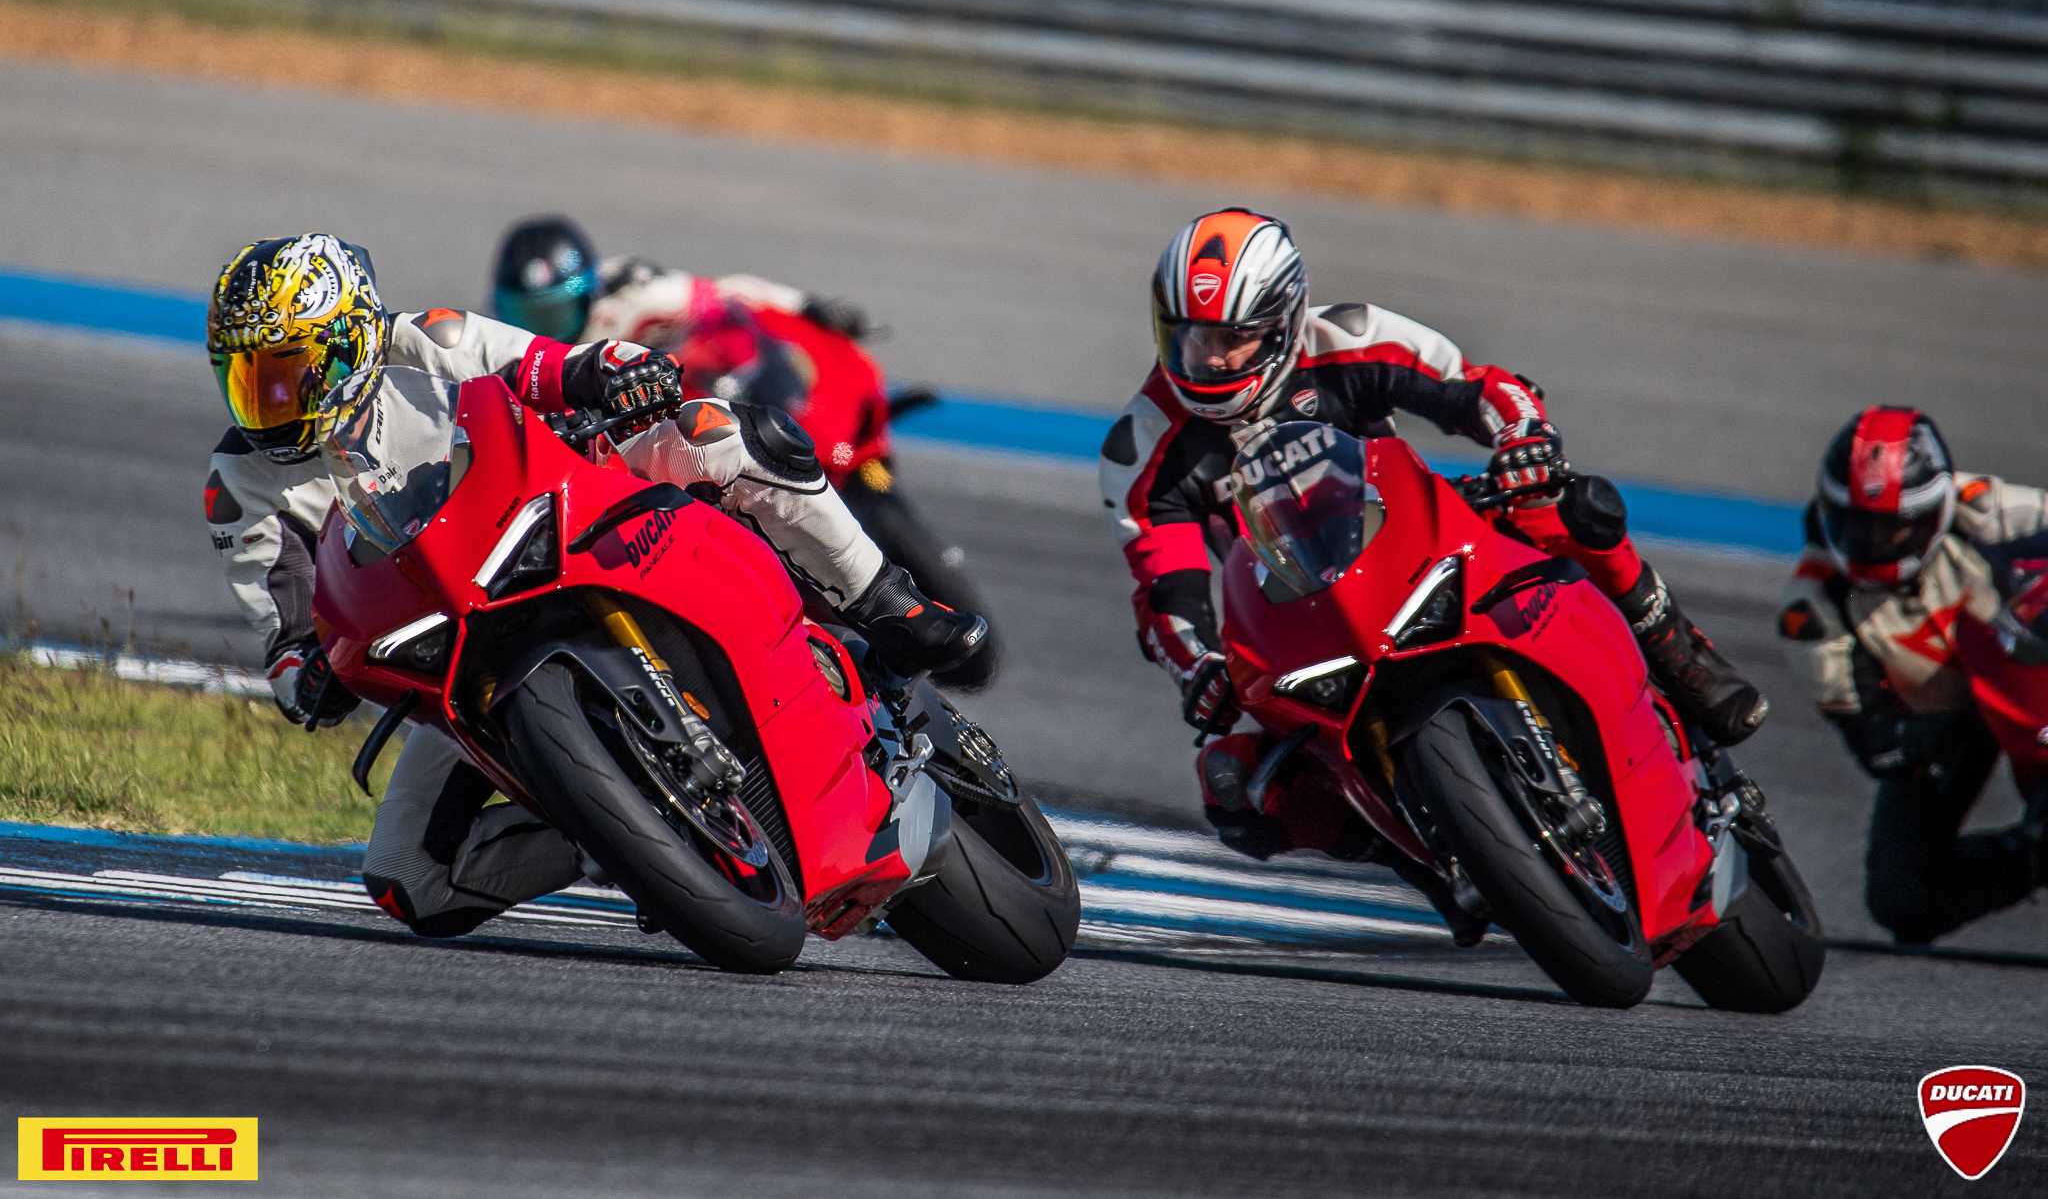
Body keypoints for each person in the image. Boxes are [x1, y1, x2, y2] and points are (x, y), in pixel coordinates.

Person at [204, 233, 983, 937]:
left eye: (284, 374)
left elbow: (543, 363)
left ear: (346, 343)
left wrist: (615, 372)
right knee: (410, 880)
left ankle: (892, 603)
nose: (267, 403)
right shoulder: (240, 483)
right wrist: (306, 678)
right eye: (245, 379)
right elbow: (283, 629)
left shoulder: (426, 340)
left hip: (567, 511)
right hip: (455, 650)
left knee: (722, 435)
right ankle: (623, 834)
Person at [1098, 207, 1768, 871]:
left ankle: (1675, 648)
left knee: (1569, 508)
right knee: (1233, 785)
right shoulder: (1143, 446)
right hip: (1299, 622)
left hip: (1419, 546)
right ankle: (1428, 862)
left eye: (1232, 338)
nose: (1210, 359)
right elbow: (1166, 590)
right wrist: (1199, 666)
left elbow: (1480, 390)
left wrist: (1523, 439)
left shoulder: (1350, 337)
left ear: (1281, 321)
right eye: (1191, 338)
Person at [1778, 406, 2048, 943]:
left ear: (1936, 508)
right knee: (1903, 899)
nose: (1877, 542)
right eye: (1859, 525)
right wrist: (1909, 742)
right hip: (1941, 722)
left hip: (2031, 674)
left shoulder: (1983, 508)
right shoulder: (1813, 609)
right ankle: (2033, 855)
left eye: (1896, 526)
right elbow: (1873, 741)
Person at [487, 214, 869, 381]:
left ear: (590, 295)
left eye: (552, 313)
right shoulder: (501, 350)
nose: (539, 328)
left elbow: (730, 291)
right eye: (524, 314)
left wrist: (806, 305)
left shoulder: (643, 297)